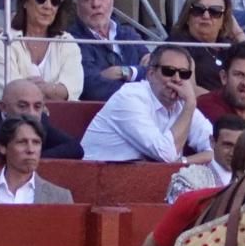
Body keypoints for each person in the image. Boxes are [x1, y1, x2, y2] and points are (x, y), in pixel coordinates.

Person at [81, 43, 215, 164]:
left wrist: (183, 161)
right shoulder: (130, 97)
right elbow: (166, 154)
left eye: (184, 74)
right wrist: (190, 105)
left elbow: (217, 148)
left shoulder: (182, 103)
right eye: (169, 71)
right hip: (98, 178)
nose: (177, 79)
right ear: (150, 74)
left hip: (140, 180)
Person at [0, 0, 83, 102]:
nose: (48, 6)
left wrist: (42, 88)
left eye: (55, 2)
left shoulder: (67, 41)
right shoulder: (5, 41)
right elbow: (11, 95)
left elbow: (71, 91)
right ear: (25, 2)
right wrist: (53, 90)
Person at [0, 117, 76, 205]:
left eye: (36, 142)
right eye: (22, 142)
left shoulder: (61, 197)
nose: (30, 150)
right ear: (3, 147)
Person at [70, 0, 149, 102]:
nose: (96, 4)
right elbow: (92, 88)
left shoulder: (128, 34)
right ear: (76, 6)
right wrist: (140, 80)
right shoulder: (73, 40)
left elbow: (155, 71)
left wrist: (123, 71)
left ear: (112, 0)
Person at [0, 77, 84, 159]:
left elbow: (75, 148)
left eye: (37, 106)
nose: (31, 113)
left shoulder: (40, 120)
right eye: (22, 106)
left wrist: (36, 158)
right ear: (3, 107)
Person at [170, 0, 244, 92]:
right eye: (198, 9)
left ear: (224, 20)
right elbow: (189, 89)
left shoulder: (227, 45)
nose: (206, 16)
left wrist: (238, 33)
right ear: (187, 16)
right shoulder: (177, 45)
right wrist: (227, 104)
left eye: (215, 11)